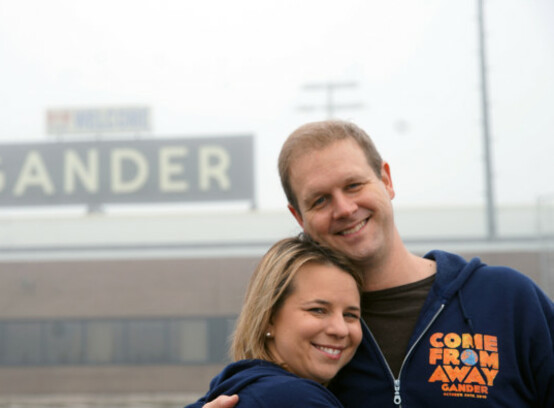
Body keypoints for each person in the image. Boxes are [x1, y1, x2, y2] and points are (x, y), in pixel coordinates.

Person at [202, 120, 554, 407]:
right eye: (320, 200)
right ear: (299, 217)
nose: (343, 209)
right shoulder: (307, 339)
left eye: (354, 185)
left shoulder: (507, 300)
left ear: (386, 180)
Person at [187, 234, 363, 408]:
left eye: (350, 315)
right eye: (318, 310)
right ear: (268, 318)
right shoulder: (295, 397)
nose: (340, 329)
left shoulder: (237, 386)